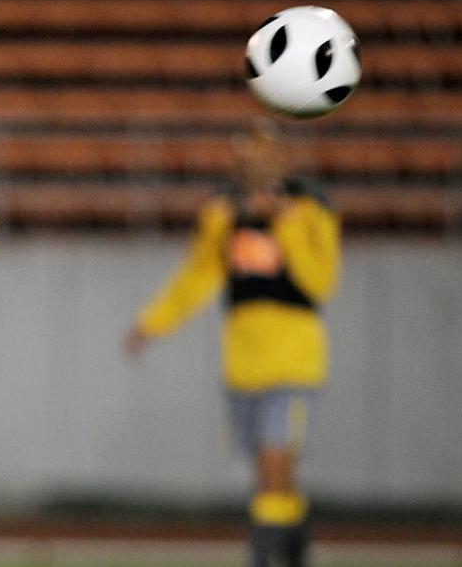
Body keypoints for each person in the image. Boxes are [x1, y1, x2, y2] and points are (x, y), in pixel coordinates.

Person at [124, 120, 340, 566]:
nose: (254, 164)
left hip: (294, 362)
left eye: (264, 154)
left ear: (280, 159)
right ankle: (298, 553)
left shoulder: (310, 209)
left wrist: (284, 225)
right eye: (245, 155)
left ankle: (262, 558)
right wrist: (152, 323)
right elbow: (198, 275)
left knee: (272, 470)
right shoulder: (223, 214)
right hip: (243, 363)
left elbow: (320, 283)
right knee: (273, 477)